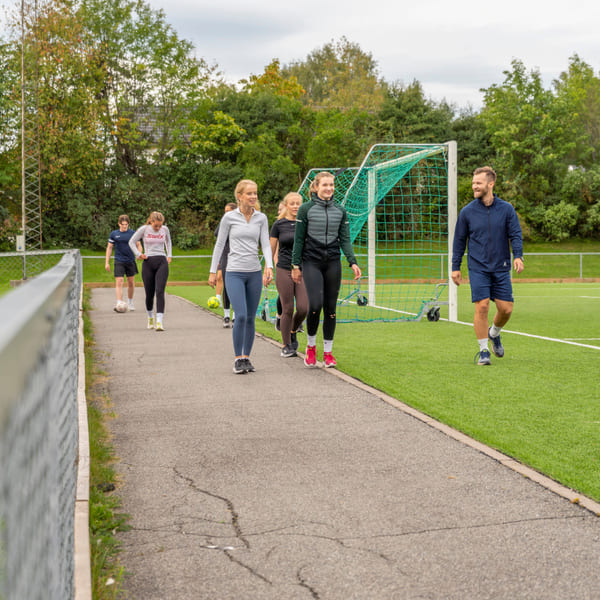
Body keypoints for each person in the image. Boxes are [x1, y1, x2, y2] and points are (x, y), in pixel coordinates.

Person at [451, 166, 524, 365]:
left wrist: (518, 256)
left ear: (490, 184)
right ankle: (483, 351)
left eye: (478, 183)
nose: (474, 186)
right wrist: (455, 267)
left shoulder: (507, 209)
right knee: (482, 306)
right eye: (473, 183)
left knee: (506, 309)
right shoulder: (467, 212)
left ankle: (494, 333)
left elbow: (515, 235)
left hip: (501, 267)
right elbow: (459, 241)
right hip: (478, 267)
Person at [291, 171, 361, 368]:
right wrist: (295, 265)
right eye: (325, 185)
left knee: (330, 309)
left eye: (331, 185)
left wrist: (352, 261)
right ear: (316, 187)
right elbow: (298, 239)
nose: (329, 188)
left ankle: (328, 353)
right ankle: (311, 348)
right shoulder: (306, 209)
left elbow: (345, 239)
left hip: (332, 262)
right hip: (311, 261)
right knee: (315, 305)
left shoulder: (341, 210)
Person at [209, 180, 273, 374]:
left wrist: (268, 266)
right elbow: (220, 245)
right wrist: (213, 271)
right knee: (241, 315)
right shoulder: (229, 218)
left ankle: (247, 358)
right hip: (234, 272)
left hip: (253, 272)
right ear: (240, 196)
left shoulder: (261, 218)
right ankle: (238, 358)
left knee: (251, 318)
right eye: (249, 194)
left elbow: (266, 244)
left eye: (255, 193)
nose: (253, 197)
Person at [270, 192, 308, 358]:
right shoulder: (279, 225)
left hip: (303, 270)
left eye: (298, 203)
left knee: (303, 307)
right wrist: (267, 269)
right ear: (286, 205)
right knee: (287, 308)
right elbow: (270, 249)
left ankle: (293, 330)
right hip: (284, 269)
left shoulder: (307, 223)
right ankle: (286, 344)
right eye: (292, 203)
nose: (295, 206)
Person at [129, 211, 172, 331]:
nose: (158, 228)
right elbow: (131, 242)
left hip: (161, 261)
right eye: (155, 226)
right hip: (148, 262)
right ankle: (150, 318)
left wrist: (169, 255)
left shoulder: (165, 229)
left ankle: (159, 321)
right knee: (149, 293)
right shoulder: (144, 229)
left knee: (160, 291)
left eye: (160, 225)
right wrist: (138, 254)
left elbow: (168, 241)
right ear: (151, 222)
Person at [105, 214, 139, 311]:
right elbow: (109, 248)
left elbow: (138, 244)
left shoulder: (133, 233)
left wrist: (139, 253)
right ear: (119, 224)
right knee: (119, 281)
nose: (124, 226)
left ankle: (130, 302)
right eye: (122, 224)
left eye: (126, 224)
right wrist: (107, 262)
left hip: (130, 260)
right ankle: (119, 302)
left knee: (131, 282)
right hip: (119, 260)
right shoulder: (114, 234)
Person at [215, 202, 237, 327]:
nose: (226, 214)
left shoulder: (240, 222)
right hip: (225, 257)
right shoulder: (224, 223)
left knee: (236, 287)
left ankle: (235, 316)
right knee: (227, 286)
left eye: (228, 211)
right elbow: (216, 234)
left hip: (237, 257)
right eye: (225, 212)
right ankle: (226, 315)